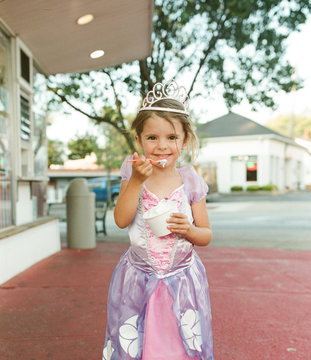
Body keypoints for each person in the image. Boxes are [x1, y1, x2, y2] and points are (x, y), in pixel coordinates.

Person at [103, 80, 214, 360]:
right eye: (152, 138)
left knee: (177, 347)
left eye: (171, 137)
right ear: (138, 140)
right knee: (142, 347)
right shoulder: (134, 173)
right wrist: (137, 181)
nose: (162, 146)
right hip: (139, 280)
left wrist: (189, 230)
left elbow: (206, 235)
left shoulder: (190, 181)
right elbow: (120, 219)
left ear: (184, 141)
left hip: (182, 282)